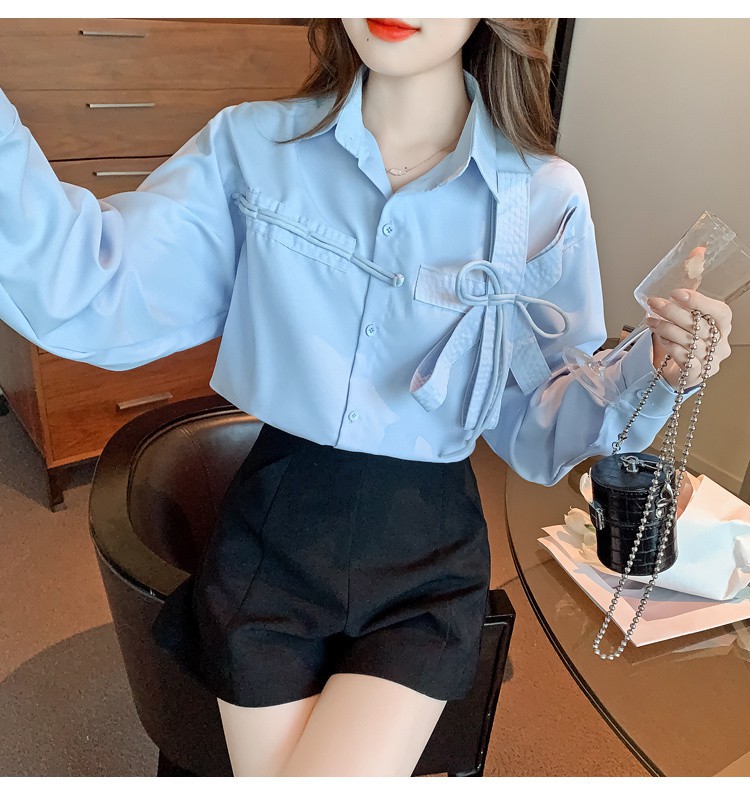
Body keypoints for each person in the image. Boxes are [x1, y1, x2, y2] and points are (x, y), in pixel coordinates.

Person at [0, 17, 734, 777]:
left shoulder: (544, 198)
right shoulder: (254, 149)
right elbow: (88, 288)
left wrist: (656, 367)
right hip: (275, 540)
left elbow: (538, 429)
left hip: (425, 555)